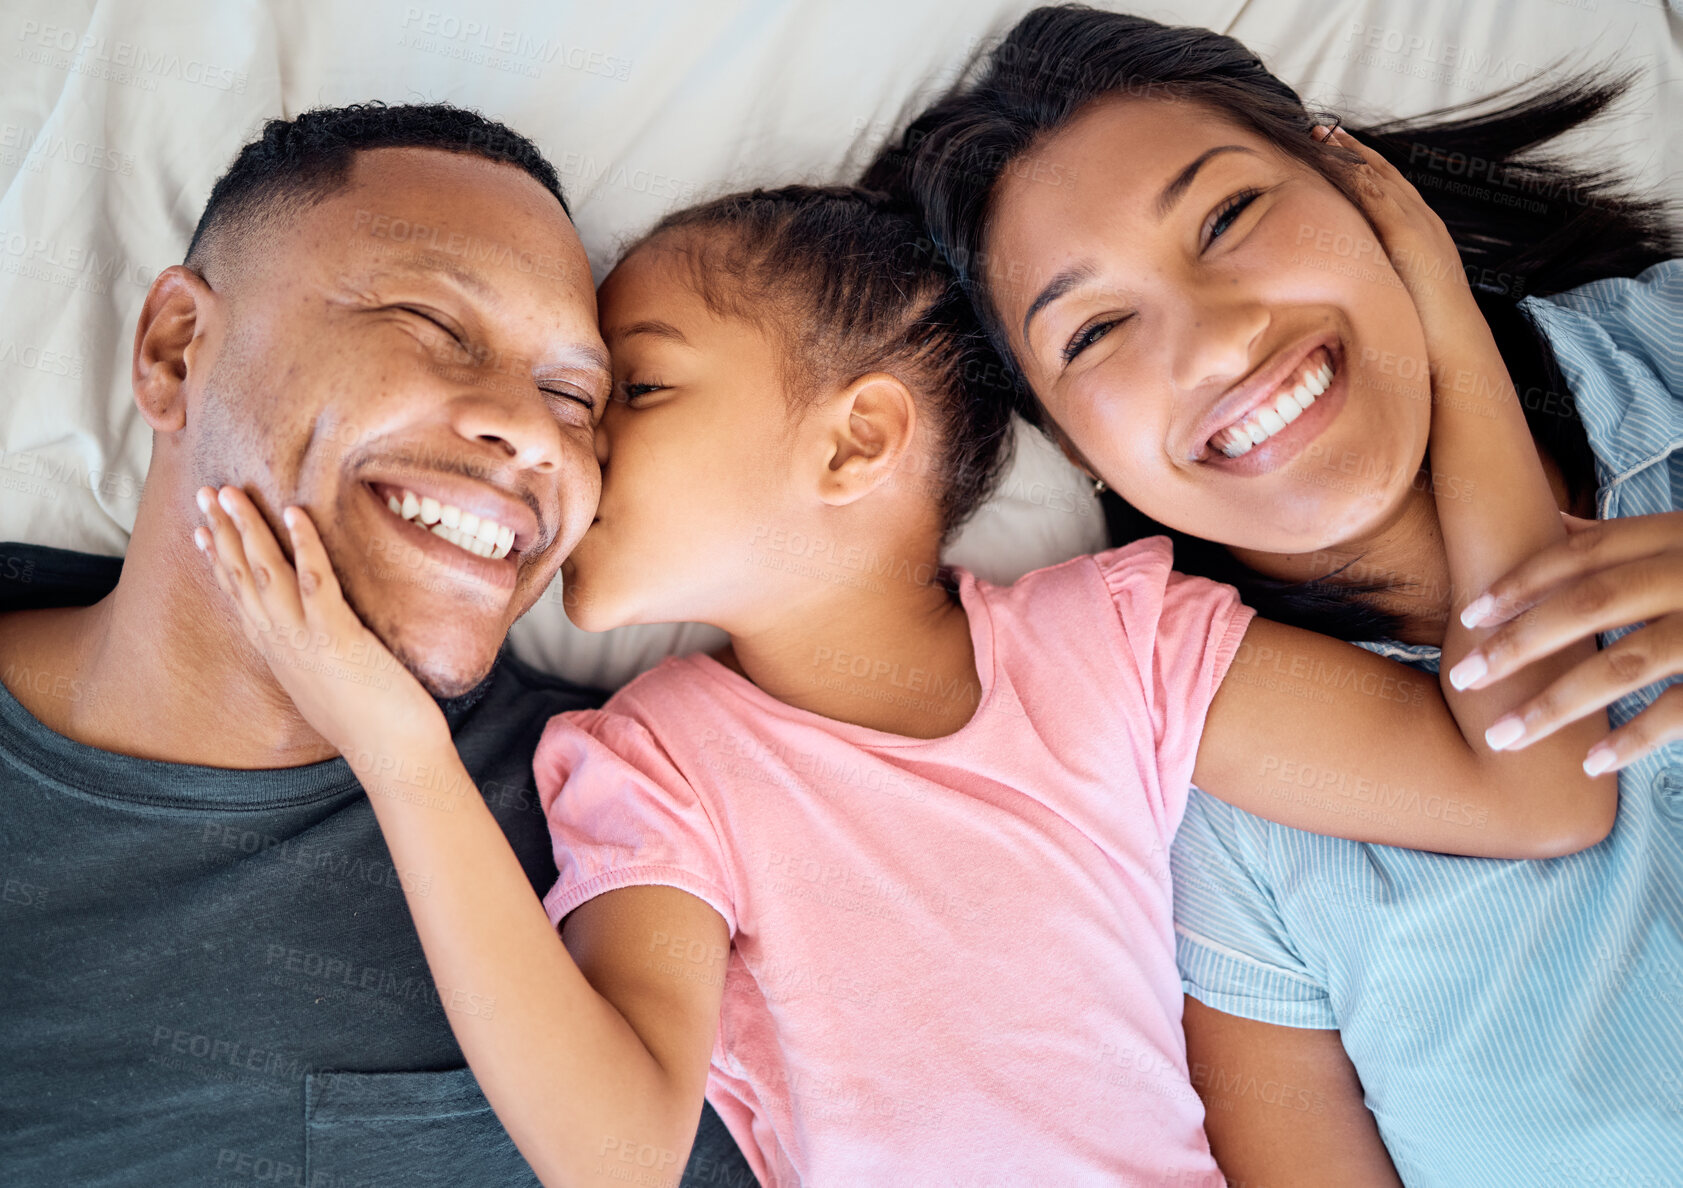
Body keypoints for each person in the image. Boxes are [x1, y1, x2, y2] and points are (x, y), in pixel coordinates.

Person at [193, 165, 1609, 1185]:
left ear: (856, 443)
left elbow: (1537, 789)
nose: (579, 447)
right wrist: (398, 753)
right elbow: (618, 1154)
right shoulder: (655, 759)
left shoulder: (1116, 652)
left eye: (638, 387)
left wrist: (1441, 318)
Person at [881, 5, 1683, 1183]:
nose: (1215, 342)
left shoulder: (1664, 351)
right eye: (1096, 330)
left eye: (1229, 216)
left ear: (1362, 193)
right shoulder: (1219, 823)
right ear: (1074, 448)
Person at [0, 102, 752, 1188]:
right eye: (432, 326)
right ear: (175, 351)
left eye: (575, 398)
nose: (534, 433)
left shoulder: (639, 798)